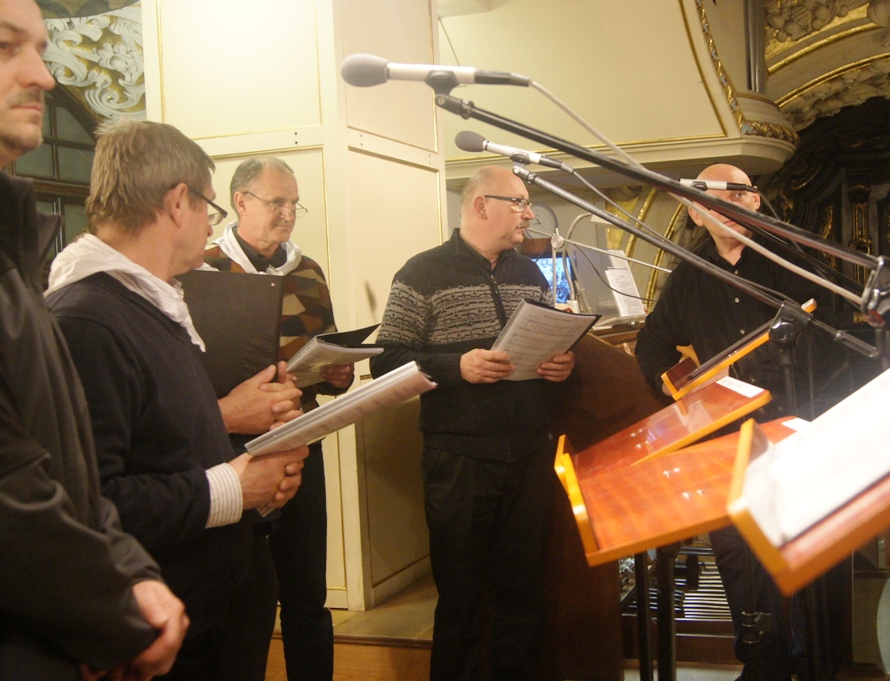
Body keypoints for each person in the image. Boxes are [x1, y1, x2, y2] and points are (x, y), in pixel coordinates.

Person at [45, 118, 309, 681]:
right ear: (176, 202)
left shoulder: (149, 300)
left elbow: (167, 446)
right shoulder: (87, 318)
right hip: (164, 619)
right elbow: (91, 502)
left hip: (212, 599)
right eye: (210, 208)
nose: (211, 224)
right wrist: (234, 488)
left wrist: (259, 485)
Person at [0, 1, 188, 679]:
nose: (44, 77)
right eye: (5, 47)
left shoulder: (13, 256)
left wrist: (129, 570)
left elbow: (62, 463)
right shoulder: (88, 308)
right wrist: (115, 613)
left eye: (41, 49)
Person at [634, 163, 847, 681]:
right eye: (710, 198)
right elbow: (652, 345)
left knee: (808, 548)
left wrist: (757, 373)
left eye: (737, 194)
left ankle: (816, 663)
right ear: (695, 213)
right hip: (729, 438)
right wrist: (679, 384)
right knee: (736, 552)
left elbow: (838, 335)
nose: (724, 205)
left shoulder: (793, 260)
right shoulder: (690, 274)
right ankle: (763, 661)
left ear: (754, 200)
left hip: (797, 425)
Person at [370, 165, 575, 681]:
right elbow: (385, 361)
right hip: (459, 457)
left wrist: (560, 363)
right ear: (482, 205)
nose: (528, 214)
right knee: (460, 600)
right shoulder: (422, 273)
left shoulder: (530, 274)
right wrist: (455, 367)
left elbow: (549, 340)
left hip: (529, 451)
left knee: (523, 594)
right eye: (519, 202)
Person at [203, 156, 354, 681]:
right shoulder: (202, 270)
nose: (288, 213)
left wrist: (338, 374)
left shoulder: (307, 271)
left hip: (300, 443)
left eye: (294, 204)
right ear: (241, 202)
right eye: (277, 202)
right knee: (244, 595)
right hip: (232, 452)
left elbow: (325, 353)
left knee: (306, 593)